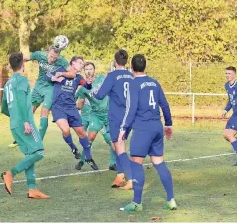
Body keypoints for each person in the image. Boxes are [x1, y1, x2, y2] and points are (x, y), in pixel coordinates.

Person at [119, 54, 176, 211]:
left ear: (131, 67)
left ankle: (137, 203)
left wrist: (123, 129)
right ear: (145, 66)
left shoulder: (133, 84)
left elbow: (131, 109)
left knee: (136, 163)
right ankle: (171, 200)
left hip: (143, 129)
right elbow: (164, 104)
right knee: (159, 162)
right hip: (157, 127)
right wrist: (168, 124)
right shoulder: (154, 82)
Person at [1, 53, 50, 199]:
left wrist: (16, 117)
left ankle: (32, 189)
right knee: (39, 152)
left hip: (15, 124)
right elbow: (22, 101)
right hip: (24, 123)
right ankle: (11, 174)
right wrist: (25, 121)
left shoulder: (8, 84)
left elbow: (4, 108)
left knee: (30, 154)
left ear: (10, 66)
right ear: (23, 65)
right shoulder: (22, 80)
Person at [8, 46, 74, 147]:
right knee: (29, 110)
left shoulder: (62, 61)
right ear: (48, 53)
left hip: (50, 89)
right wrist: (13, 65)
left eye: (55, 58)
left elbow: (73, 74)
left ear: (58, 56)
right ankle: (20, 138)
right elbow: (25, 58)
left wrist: (62, 73)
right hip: (38, 87)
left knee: (44, 111)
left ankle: (39, 141)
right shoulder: (39, 55)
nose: (52, 59)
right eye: (51, 56)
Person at [91, 49, 133, 189]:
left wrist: (95, 92)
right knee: (119, 144)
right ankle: (120, 175)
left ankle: (132, 178)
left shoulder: (112, 75)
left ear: (115, 62)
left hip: (117, 116)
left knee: (118, 146)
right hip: (130, 115)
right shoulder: (131, 75)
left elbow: (100, 95)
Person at [48, 56, 98, 169]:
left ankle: (89, 158)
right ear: (73, 63)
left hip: (72, 108)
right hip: (58, 107)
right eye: (80, 63)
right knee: (65, 130)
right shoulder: (60, 69)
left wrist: (89, 83)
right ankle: (73, 148)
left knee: (82, 133)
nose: (82, 65)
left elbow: (87, 86)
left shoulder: (78, 77)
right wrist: (57, 76)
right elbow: (48, 76)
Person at [75, 62, 116, 171]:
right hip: (95, 115)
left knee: (112, 139)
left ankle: (114, 163)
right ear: (84, 71)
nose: (89, 71)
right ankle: (83, 159)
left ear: (94, 70)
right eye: (86, 69)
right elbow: (78, 102)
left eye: (91, 69)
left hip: (108, 114)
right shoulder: (83, 88)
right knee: (90, 137)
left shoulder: (103, 79)